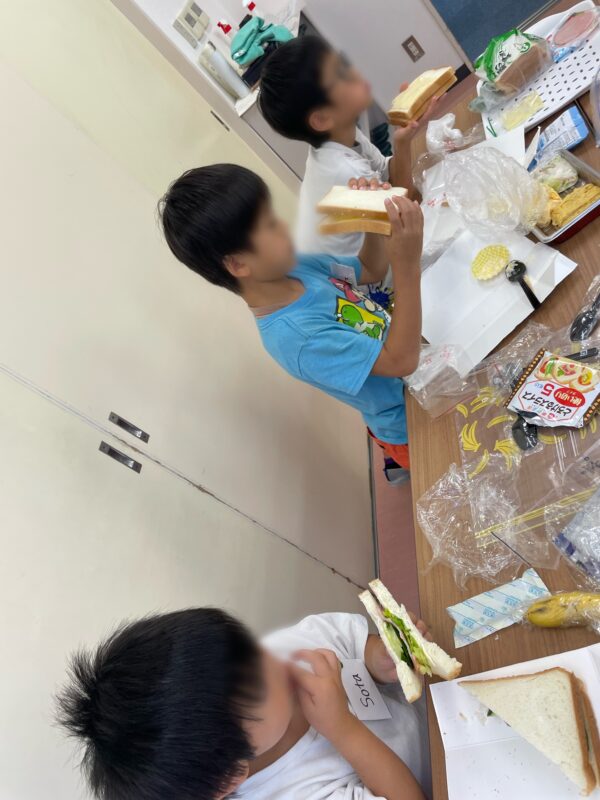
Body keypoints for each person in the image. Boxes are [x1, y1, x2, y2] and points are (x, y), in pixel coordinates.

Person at [159, 164, 423, 469]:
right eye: (269, 225)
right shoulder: (297, 338)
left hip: (418, 372)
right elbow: (400, 361)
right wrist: (407, 266)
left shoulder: (295, 267)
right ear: (238, 264)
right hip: (407, 422)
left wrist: (372, 221)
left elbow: (369, 269)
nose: (283, 226)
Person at [56, 606, 432, 800]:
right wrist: (342, 729)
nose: (273, 661)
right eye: (257, 689)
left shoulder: (274, 654)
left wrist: (380, 659)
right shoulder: (288, 792)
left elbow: (347, 641)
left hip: (436, 708)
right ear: (232, 775)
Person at [258, 35, 433, 270]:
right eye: (340, 75)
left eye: (344, 63)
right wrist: (403, 142)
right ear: (322, 118)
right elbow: (403, 210)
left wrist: (404, 131)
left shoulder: (344, 134)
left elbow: (386, 173)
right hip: (366, 280)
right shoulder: (343, 171)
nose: (354, 73)